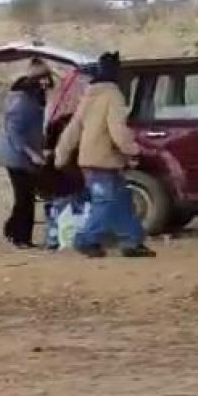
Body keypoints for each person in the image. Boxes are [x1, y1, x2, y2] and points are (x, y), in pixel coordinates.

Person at [54, 52, 156, 258]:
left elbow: (73, 129)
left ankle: (131, 241)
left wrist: (61, 155)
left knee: (121, 201)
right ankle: (85, 240)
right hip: (104, 160)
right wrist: (133, 150)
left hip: (89, 160)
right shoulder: (113, 95)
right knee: (105, 202)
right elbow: (117, 130)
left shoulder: (89, 96)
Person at [0, 69, 51, 249]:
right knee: (25, 198)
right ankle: (20, 237)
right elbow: (15, 132)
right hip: (17, 158)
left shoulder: (22, 101)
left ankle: (13, 229)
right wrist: (32, 153)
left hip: (16, 156)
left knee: (24, 196)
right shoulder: (22, 104)